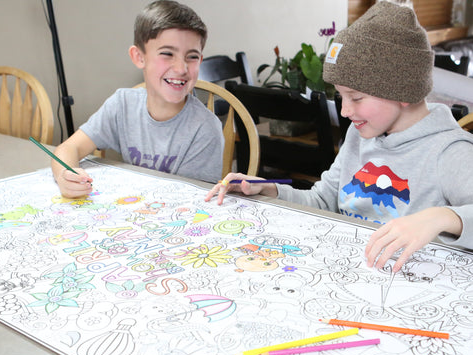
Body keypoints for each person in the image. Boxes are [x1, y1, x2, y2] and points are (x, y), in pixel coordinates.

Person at [205, 1, 473, 273]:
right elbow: (324, 201)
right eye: (340, 96)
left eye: (356, 97)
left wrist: (443, 216)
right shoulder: (362, 134)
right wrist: (270, 189)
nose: (345, 111)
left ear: (404, 92)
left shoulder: (450, 152)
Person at [52, 0, 224, 198]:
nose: (181, 68)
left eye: (192, 56)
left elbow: (191, 199)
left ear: (200, 60)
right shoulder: (122, 104)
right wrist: (66, 174)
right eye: (167, 53)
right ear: (139, 57)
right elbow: (69, 147)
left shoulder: (205, 128)